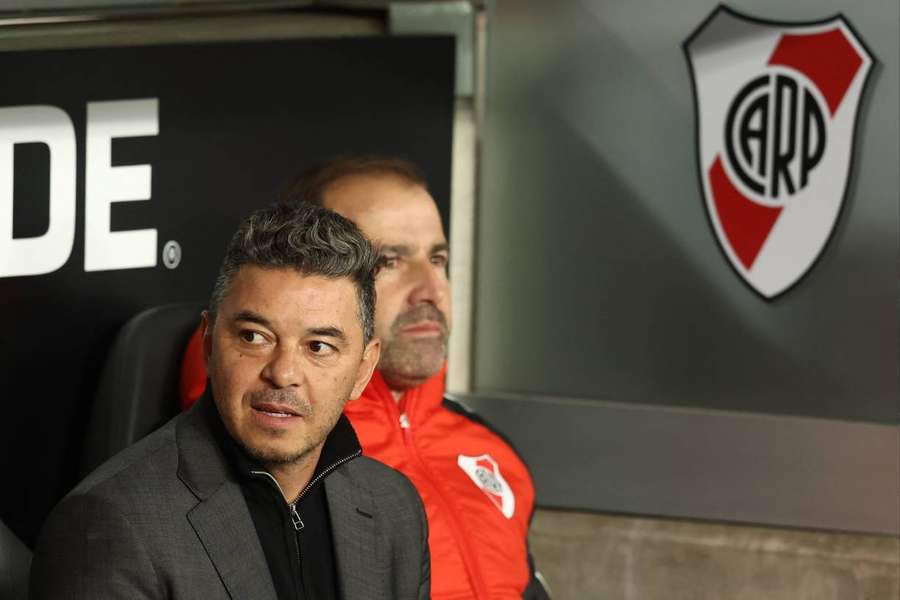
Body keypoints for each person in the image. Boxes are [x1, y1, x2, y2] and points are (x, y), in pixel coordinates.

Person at [182, 157, 549, 599]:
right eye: (388, 261)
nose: (430, 289)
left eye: (438, 258)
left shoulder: (488, 449)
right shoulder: (280, 451)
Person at [30, 203, 430, 600]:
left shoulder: (394, 507)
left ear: (363, 368)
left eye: (319, 346)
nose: (283, 372)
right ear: (208, 344)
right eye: (254, 337)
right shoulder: (110, 525)